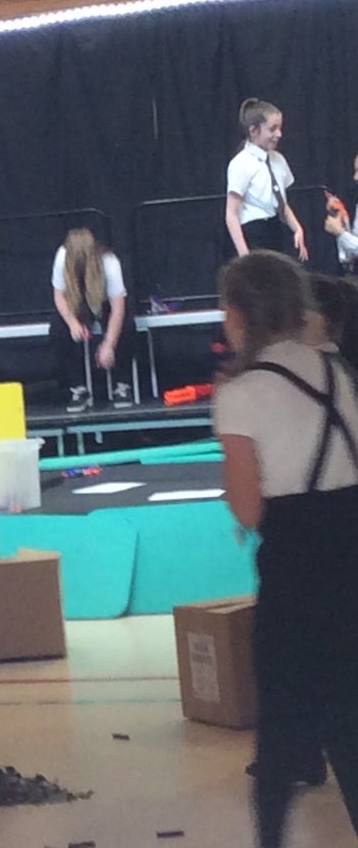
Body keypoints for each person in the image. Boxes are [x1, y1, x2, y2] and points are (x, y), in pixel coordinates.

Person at [214, 251, 358, 848]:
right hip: (351, 549)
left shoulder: (242, 393)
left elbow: (248, 509)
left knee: (279, 733)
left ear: (238, 313)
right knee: (350, 724)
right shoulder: (336, 370)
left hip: (296, 568)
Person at [49, 228, 132, 412]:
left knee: (127, 327)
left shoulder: (110, 263)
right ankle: (77, 387)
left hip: (104, 302)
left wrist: (109, 344)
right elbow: (59, 296)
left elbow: (118, 308)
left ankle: (122, 385)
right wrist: (72, 323)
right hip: (78, 301)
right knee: (57, 330)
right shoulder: (62, 257)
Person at [224, 98, 308, 260]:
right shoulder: (241, 164)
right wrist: (244, 256)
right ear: (254, 131)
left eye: (280, 128)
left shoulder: (278, 160)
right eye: (272, 129)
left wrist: (297, 228)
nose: (279, 134)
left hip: (276, 229)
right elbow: (231, 214)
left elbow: (282, 203)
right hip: (254, 233)